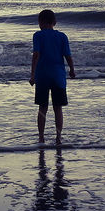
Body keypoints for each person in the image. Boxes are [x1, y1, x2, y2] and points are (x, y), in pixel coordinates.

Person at [29, 9, 75, 144]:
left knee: (42, 108)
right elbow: (68, 56)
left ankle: (41, 137)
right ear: (54, 22)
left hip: (42, 76)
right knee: (58, 108)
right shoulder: (62, 36)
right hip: (58, 76)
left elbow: (36, 55)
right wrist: (72, 70)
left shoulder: (38, 35)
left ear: (40, 22)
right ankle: (58, 137)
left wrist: (32, 75)